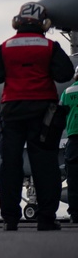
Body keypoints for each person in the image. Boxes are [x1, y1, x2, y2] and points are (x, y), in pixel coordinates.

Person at [0, 2, 73, 231]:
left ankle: (10, 220)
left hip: (12, 111)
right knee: (44, 165)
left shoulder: (5, 47)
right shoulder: (49, 46)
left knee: (10, 164)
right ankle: (45, 220)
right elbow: (65, 73)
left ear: (17, 21)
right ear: (43, 23)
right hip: (43, 112)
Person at [60, 70, 78, 224]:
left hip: (74, 140)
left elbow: (60, 115)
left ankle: (75, 214)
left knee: (73, 180)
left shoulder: (67, 92)